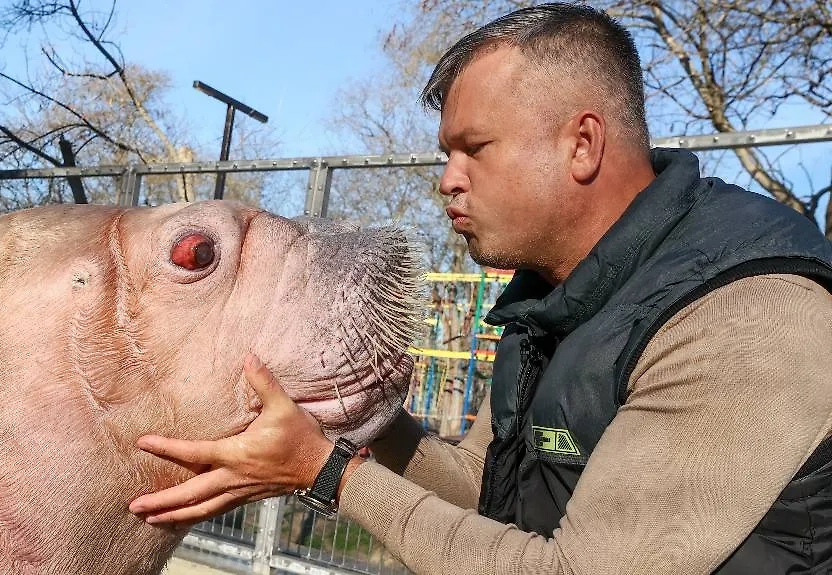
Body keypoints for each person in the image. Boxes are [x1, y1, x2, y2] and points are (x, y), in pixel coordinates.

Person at [128, 3, 832, 573]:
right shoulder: (551, 303)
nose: (447, 179)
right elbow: (480, 487)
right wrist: (362, 414)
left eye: (475, 148)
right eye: (445, 153)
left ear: (581, 144)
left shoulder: (748, 313)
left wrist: (326, 473)